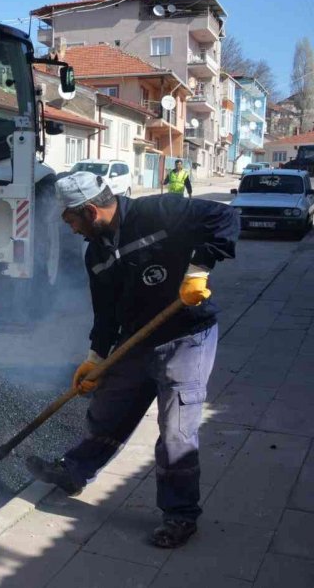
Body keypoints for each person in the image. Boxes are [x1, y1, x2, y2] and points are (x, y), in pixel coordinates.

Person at [26, 171, 238, 549]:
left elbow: (225, 218)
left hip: (186, 336)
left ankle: (180, 515)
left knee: (176, 431)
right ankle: (75, 471)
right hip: (137, 340)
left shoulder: (158, 211)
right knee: (109, 409)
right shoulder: (97, 253)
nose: (68, 228)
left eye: (69, 219)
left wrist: (199, 268)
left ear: (90, 211)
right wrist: (96, 356)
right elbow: (106, 313)